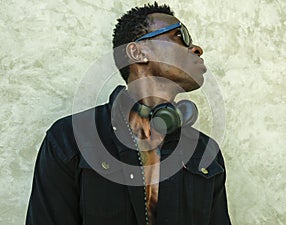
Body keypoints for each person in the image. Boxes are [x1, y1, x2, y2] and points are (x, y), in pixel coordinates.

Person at [26, 2, 231, 225]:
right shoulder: (70, 138)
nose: (196, 48)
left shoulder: (205, 152)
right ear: (137, 52)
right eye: (180, 35)